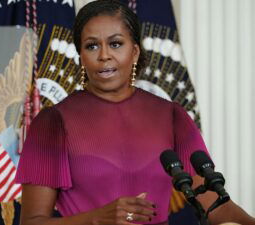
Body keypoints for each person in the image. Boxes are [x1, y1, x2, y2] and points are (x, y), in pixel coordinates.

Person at [15, 0, 255, 224]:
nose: (104, 55)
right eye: (91, 46)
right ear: (81, 57)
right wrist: (98, 218)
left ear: (135, 52)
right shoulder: (52, 121)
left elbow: (214, 204)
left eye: (116, 43)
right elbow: (32, 221)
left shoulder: (171, 115)